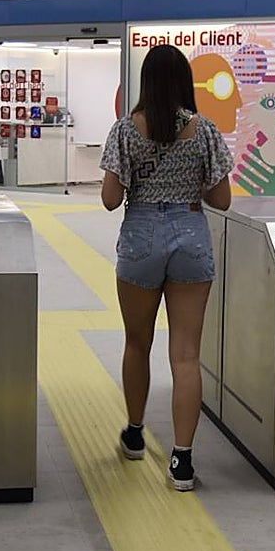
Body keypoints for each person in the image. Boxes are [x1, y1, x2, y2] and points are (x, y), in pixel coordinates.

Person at [100, 44, 233, 491]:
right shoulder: (205, 131)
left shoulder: (124, 130)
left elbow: (109, 199)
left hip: (140, 235)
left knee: (137, 342)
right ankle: (181, 461)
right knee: (186, 355)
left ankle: (135, 434)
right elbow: (222, 200)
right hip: (190, 233)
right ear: (183, 83)